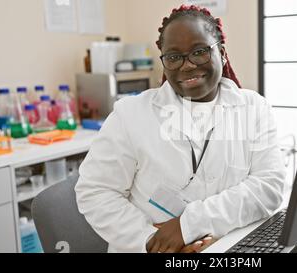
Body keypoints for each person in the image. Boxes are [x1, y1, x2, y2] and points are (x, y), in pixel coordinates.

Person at [75, 4, 286, 253]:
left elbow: (269, 185)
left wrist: (189, 226)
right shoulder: (130, 114)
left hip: (227, 246)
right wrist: (153, 240)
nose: (186, 66)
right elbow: (95, 192)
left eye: (199, 52)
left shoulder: (253, 108)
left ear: (223, 53)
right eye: (174, 57)